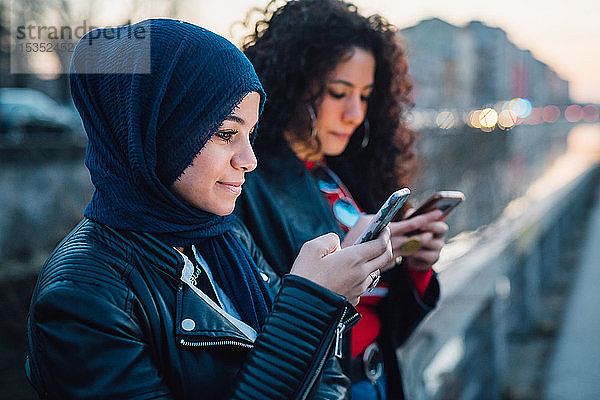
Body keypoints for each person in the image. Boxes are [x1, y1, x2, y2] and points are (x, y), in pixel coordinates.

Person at [25, 19, 394, 400]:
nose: (249, 160)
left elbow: (328, 383)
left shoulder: (222, 232)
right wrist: (310, 307)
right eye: (226, 134)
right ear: (158, 130)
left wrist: (319, 305)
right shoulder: (81, 296)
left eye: (250, 135)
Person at [235, 1, 449, 399]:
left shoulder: (348, 172)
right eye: (338, 92)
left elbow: (388, 326)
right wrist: (342, 268)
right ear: (290, 83)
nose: (354, 113)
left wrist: (415, 264)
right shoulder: (247, 182)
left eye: (365, 96)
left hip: (377, 378)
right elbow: (251, 327)